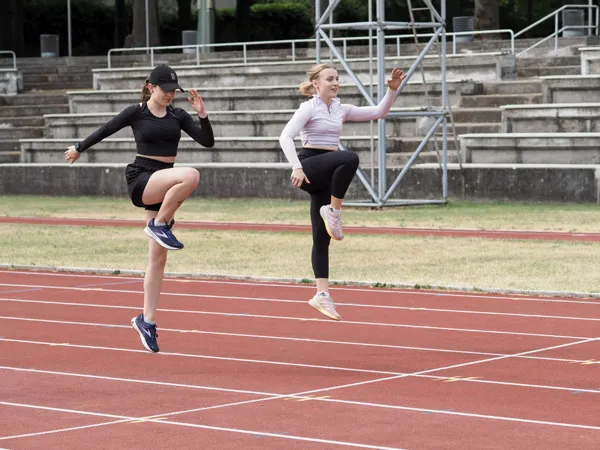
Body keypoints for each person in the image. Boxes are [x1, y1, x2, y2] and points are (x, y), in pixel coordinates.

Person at [64, 64, 214, 353]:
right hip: (142, 178)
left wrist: (202, 113)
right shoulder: (137, 112)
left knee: (158, 260)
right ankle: (158, 225)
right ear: (151, 88)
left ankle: (146, 320)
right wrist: (78, 148)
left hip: (165, 185)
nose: (171, 95)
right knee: (191, 175)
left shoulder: (178, 115)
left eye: (174, 91)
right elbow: (106, 129)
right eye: (165, 90)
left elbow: (207, 141)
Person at [279, 63, 406, 321]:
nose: (335, 83)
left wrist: (391, 91)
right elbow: (285, 136)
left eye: (337, 78)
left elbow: (379, 112)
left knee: (321, 237)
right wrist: (297, 167)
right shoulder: (309, 107)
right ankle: (334, 211)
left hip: (328, 170)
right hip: (310, 165)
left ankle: (321, 294)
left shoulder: (341, 109)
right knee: (349, 158)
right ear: (316, 83)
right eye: (330, 79)